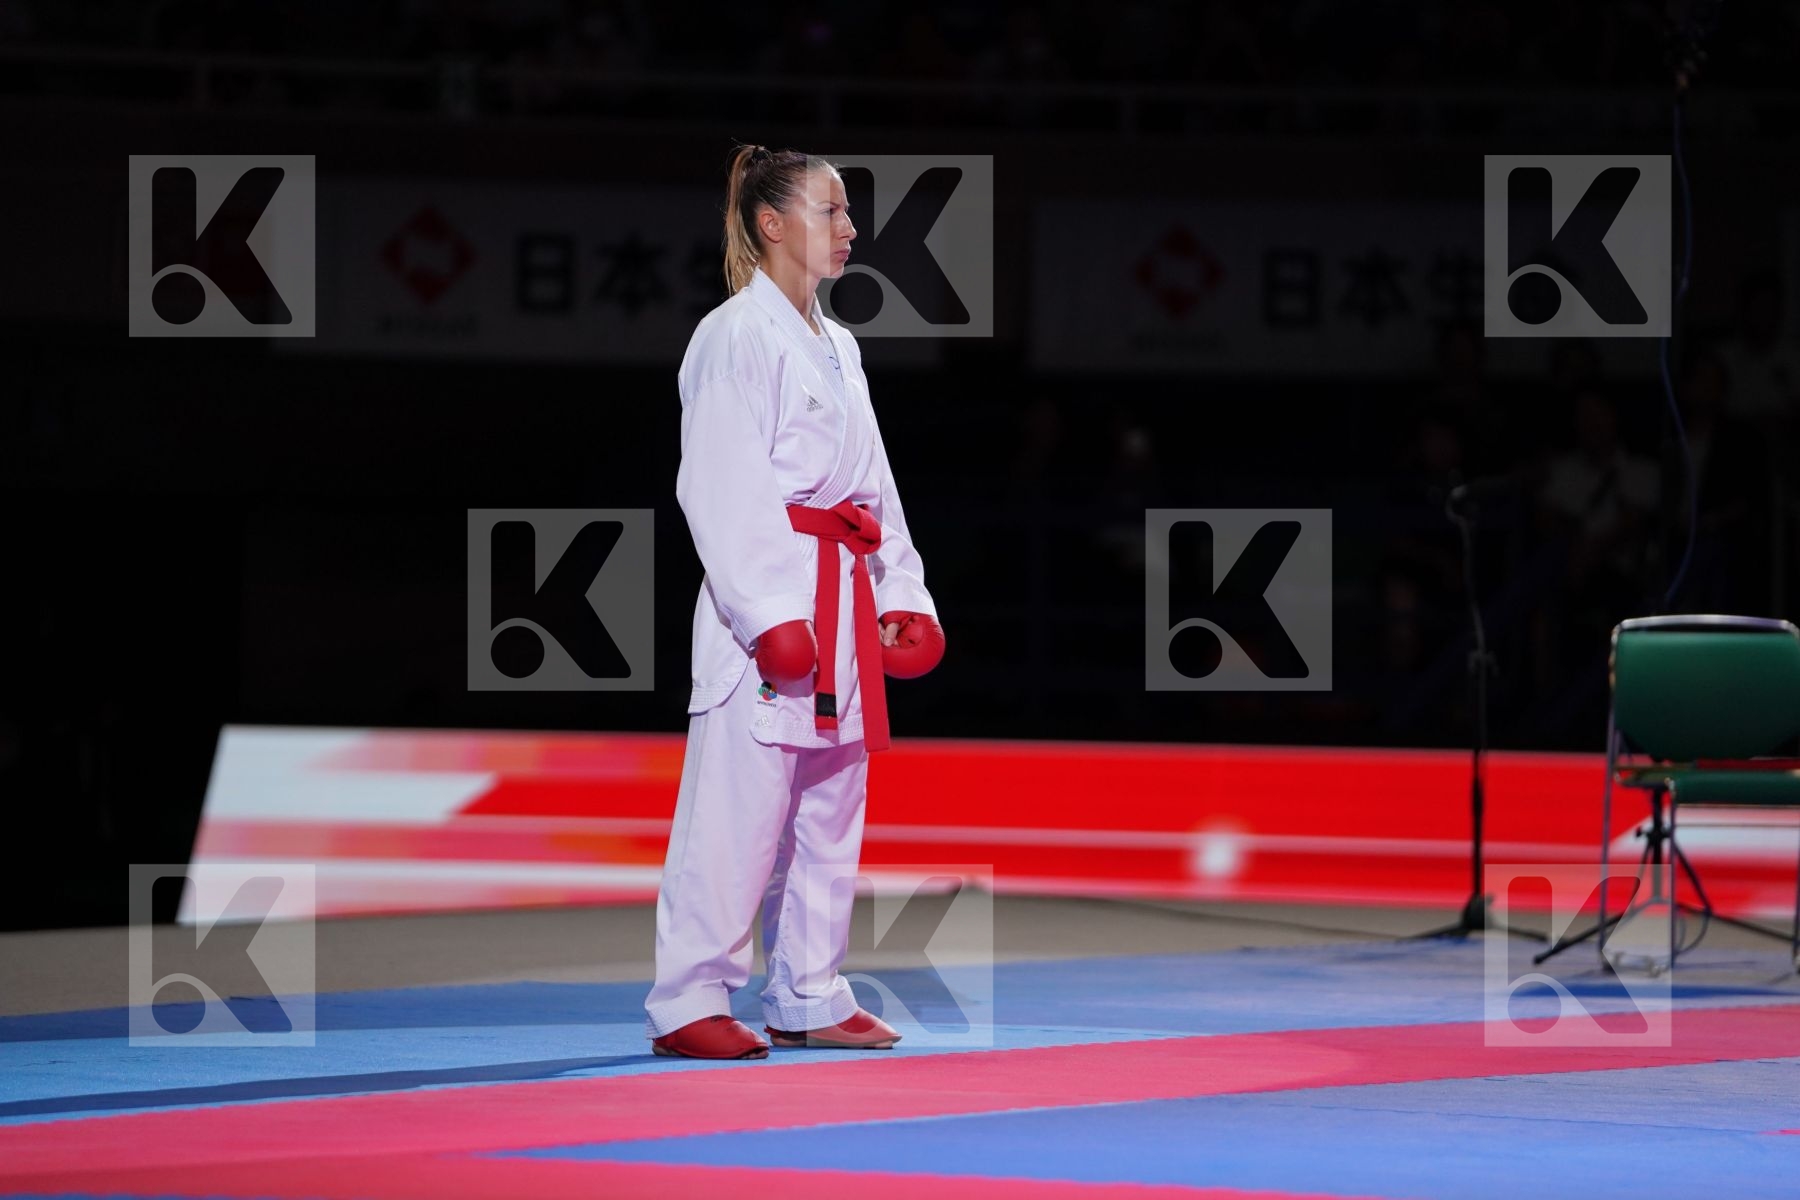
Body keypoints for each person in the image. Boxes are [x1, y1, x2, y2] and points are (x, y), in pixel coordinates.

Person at [643, 144, 946, 1060]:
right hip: (766, 609)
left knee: (829, 804)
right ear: (771, 223)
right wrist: (770, 613)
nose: (850, 228)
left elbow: (874, 490)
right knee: (738, 810)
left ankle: (809, 992)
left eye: (848, 212)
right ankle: (689, 997)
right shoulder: (733, 335)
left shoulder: (839, 344)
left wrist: (903, 590)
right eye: (830, 210)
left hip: (844, 596)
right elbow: (719, 487)